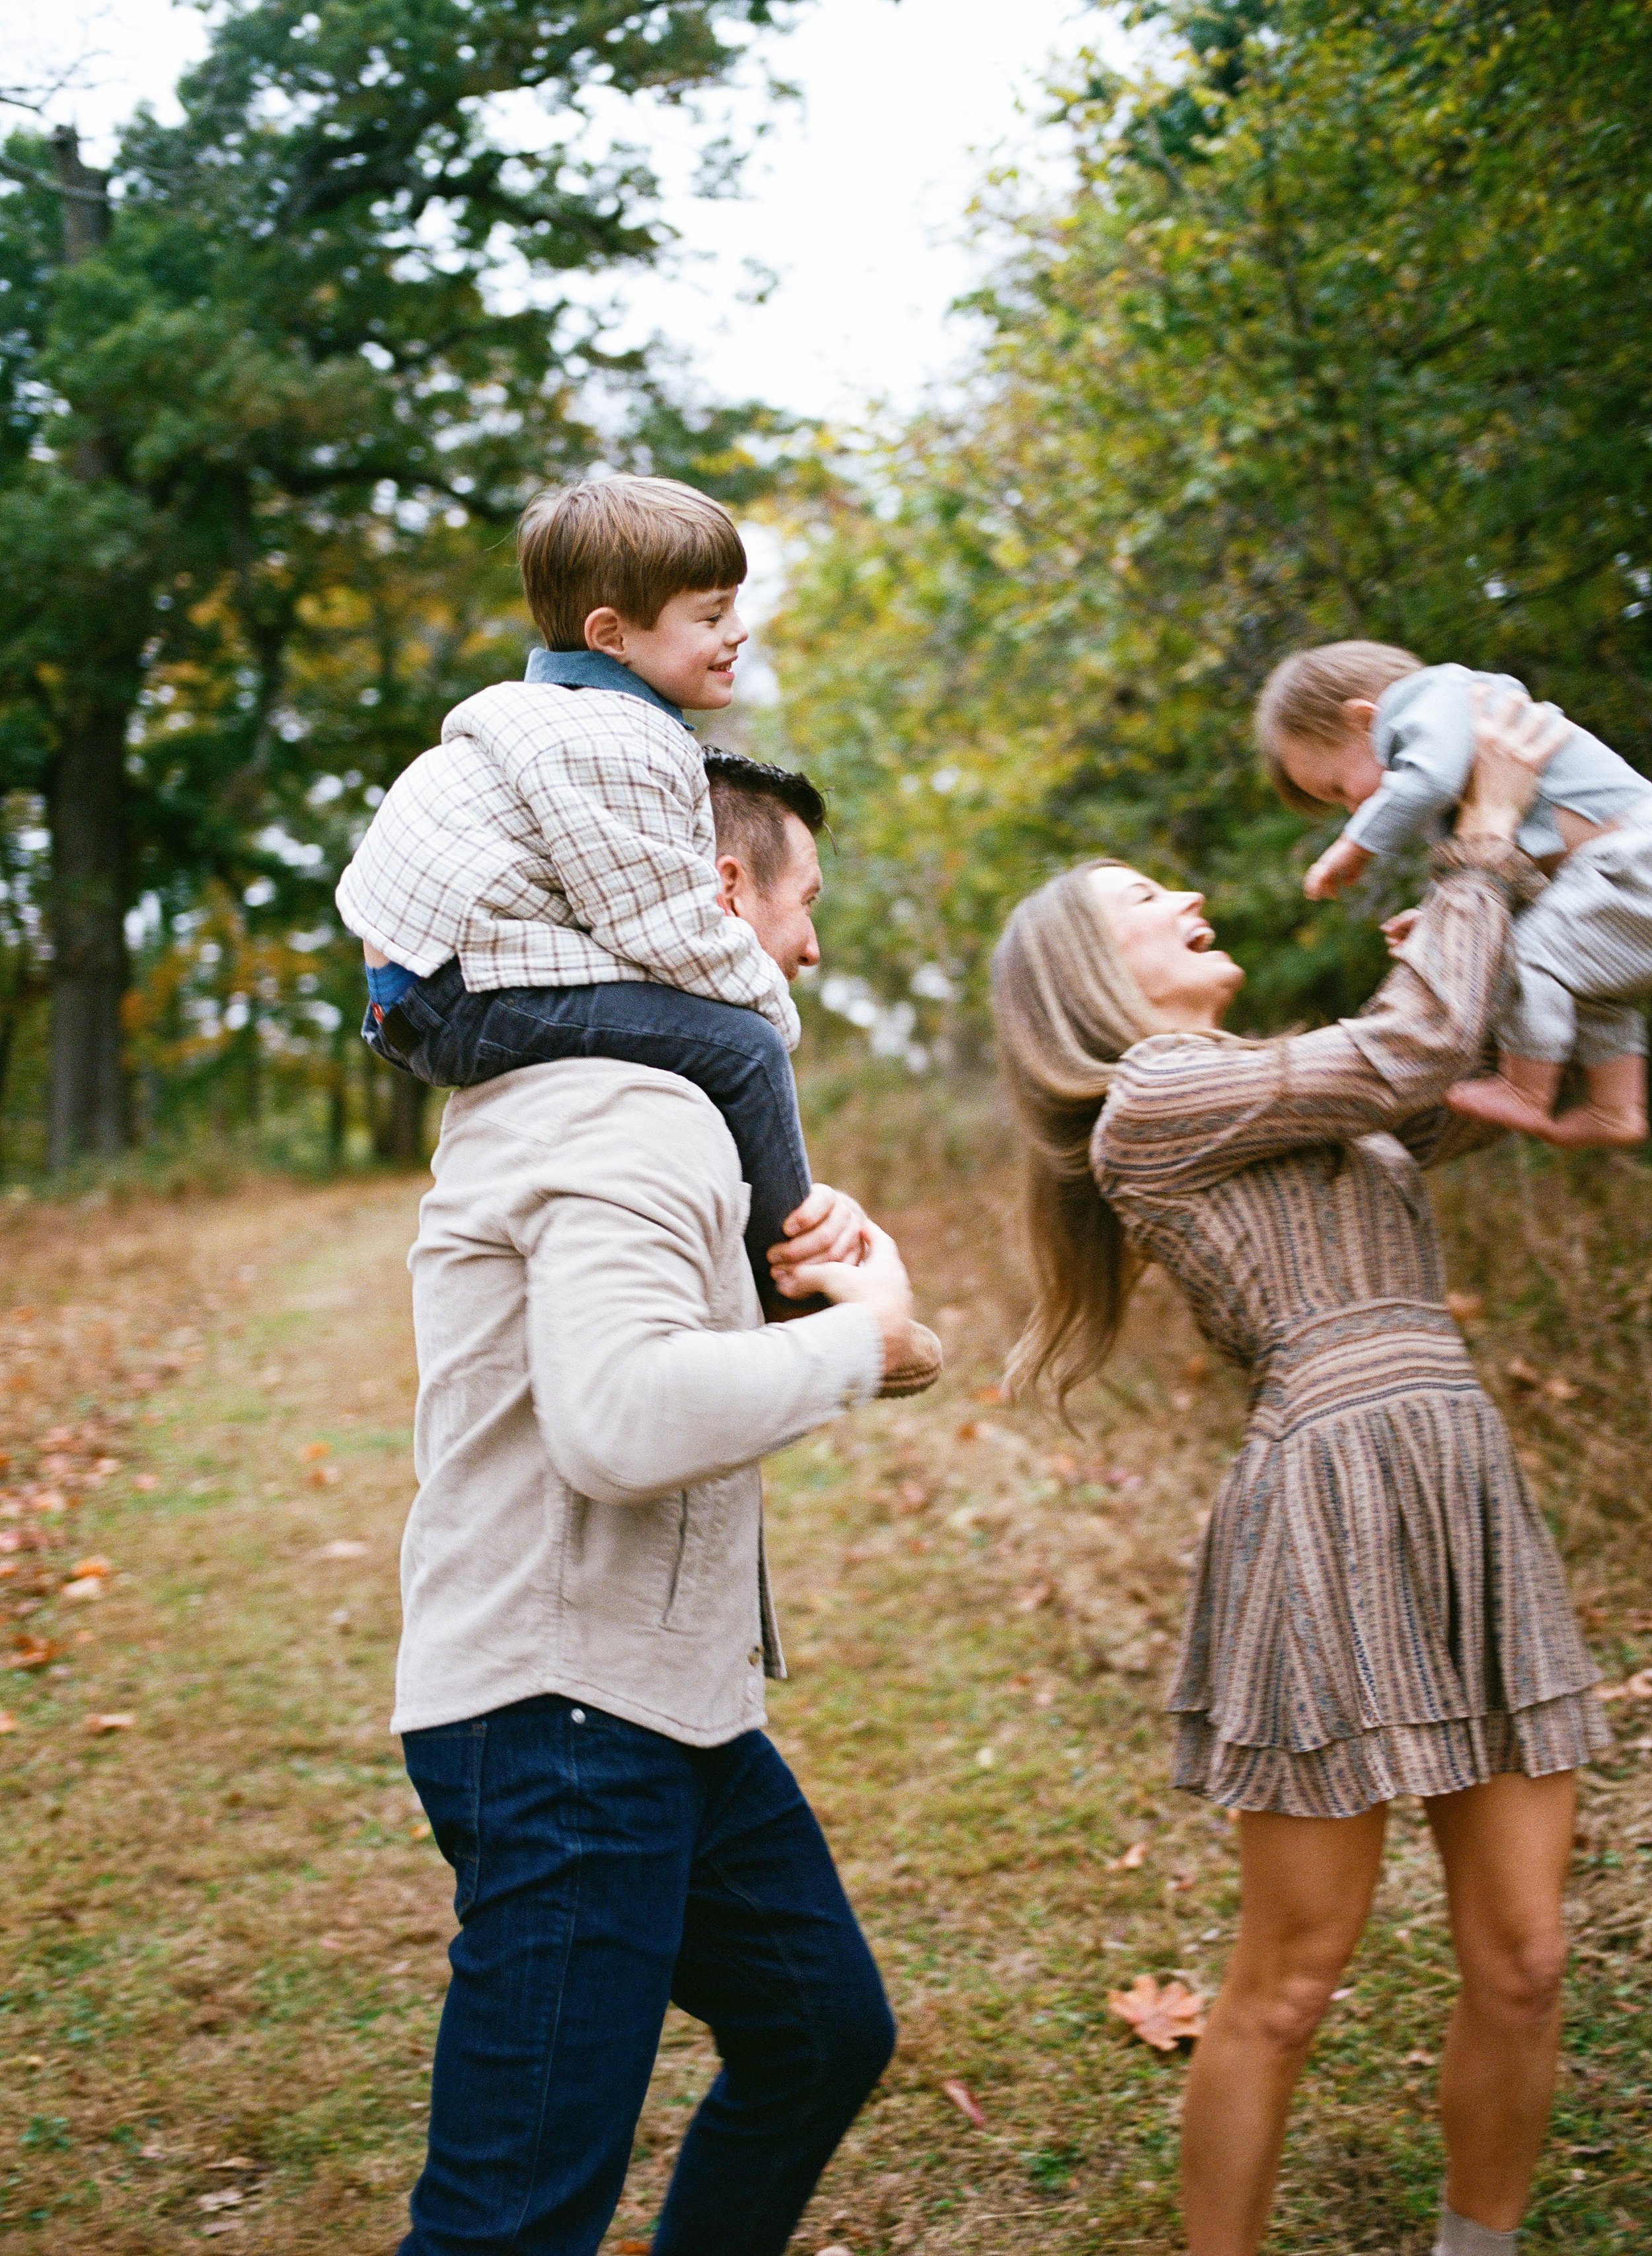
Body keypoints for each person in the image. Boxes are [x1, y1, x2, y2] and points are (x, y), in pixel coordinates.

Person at [989, 693, 1610, 2256]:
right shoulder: (1155, 1103)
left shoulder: (1267, 1076)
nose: (1187, 899)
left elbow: (1436, 1075)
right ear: (1086, 978)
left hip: (1459, 1479)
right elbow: (1403, 1042)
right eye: (1147, 902)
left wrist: (1503, 916)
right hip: (1326, 1504)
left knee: (1527, 1952)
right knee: (1294, 1971)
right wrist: (1476, 835)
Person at [393, 753, 932, 2256]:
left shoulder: (654, 1100)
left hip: (667, 1705)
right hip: (562, 1725)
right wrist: (860, 1341)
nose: (815, 946)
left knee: (821, 2028)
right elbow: (619, 1420)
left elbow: (657, 1368)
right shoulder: (623, 1107)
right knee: (510, 2220)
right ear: (720, 894)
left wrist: (835, 1318)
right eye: (803, 901)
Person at [336, 472, 937, 1388]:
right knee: (738, 1043)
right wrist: (774, 1018)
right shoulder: (616, 736)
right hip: (459, 993)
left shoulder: (556, 720)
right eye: (709, 616)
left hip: (438, 987)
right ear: (612, 635)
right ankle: (792, 1284)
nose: (736, 634)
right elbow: (670, 929)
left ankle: (736, 1248)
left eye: (737, 607)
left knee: (711, 1032)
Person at [1255, 640, 1652, 1148]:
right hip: (1611, 884)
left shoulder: (1439, 698)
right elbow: (1507, 868)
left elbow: (1429, 779)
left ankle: (1526, 1090)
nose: (1352, 810)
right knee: (1589, 989)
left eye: (1337, 788)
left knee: (1529, 959)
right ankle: (1617, 1108)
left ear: (1364, 718)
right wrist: (1441, 919)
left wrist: (1352, 848)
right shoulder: (1464, 749)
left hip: (1630, 861)